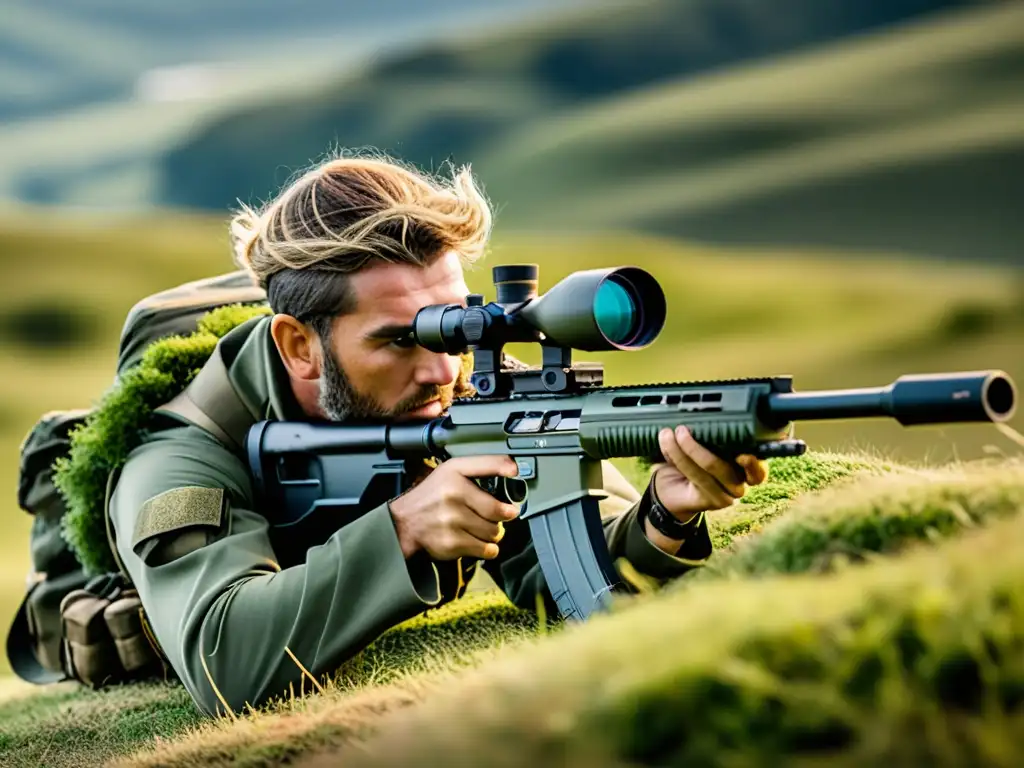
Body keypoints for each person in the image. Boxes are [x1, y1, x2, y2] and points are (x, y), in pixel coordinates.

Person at [107, 154, 768, 717]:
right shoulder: (180, 455)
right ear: (299, 345)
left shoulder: (465, 385)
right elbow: (225, 665)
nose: (443, 368)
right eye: (400, 339)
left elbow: (566, 569)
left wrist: (664, 515)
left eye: (451, 324)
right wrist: (401, 530)